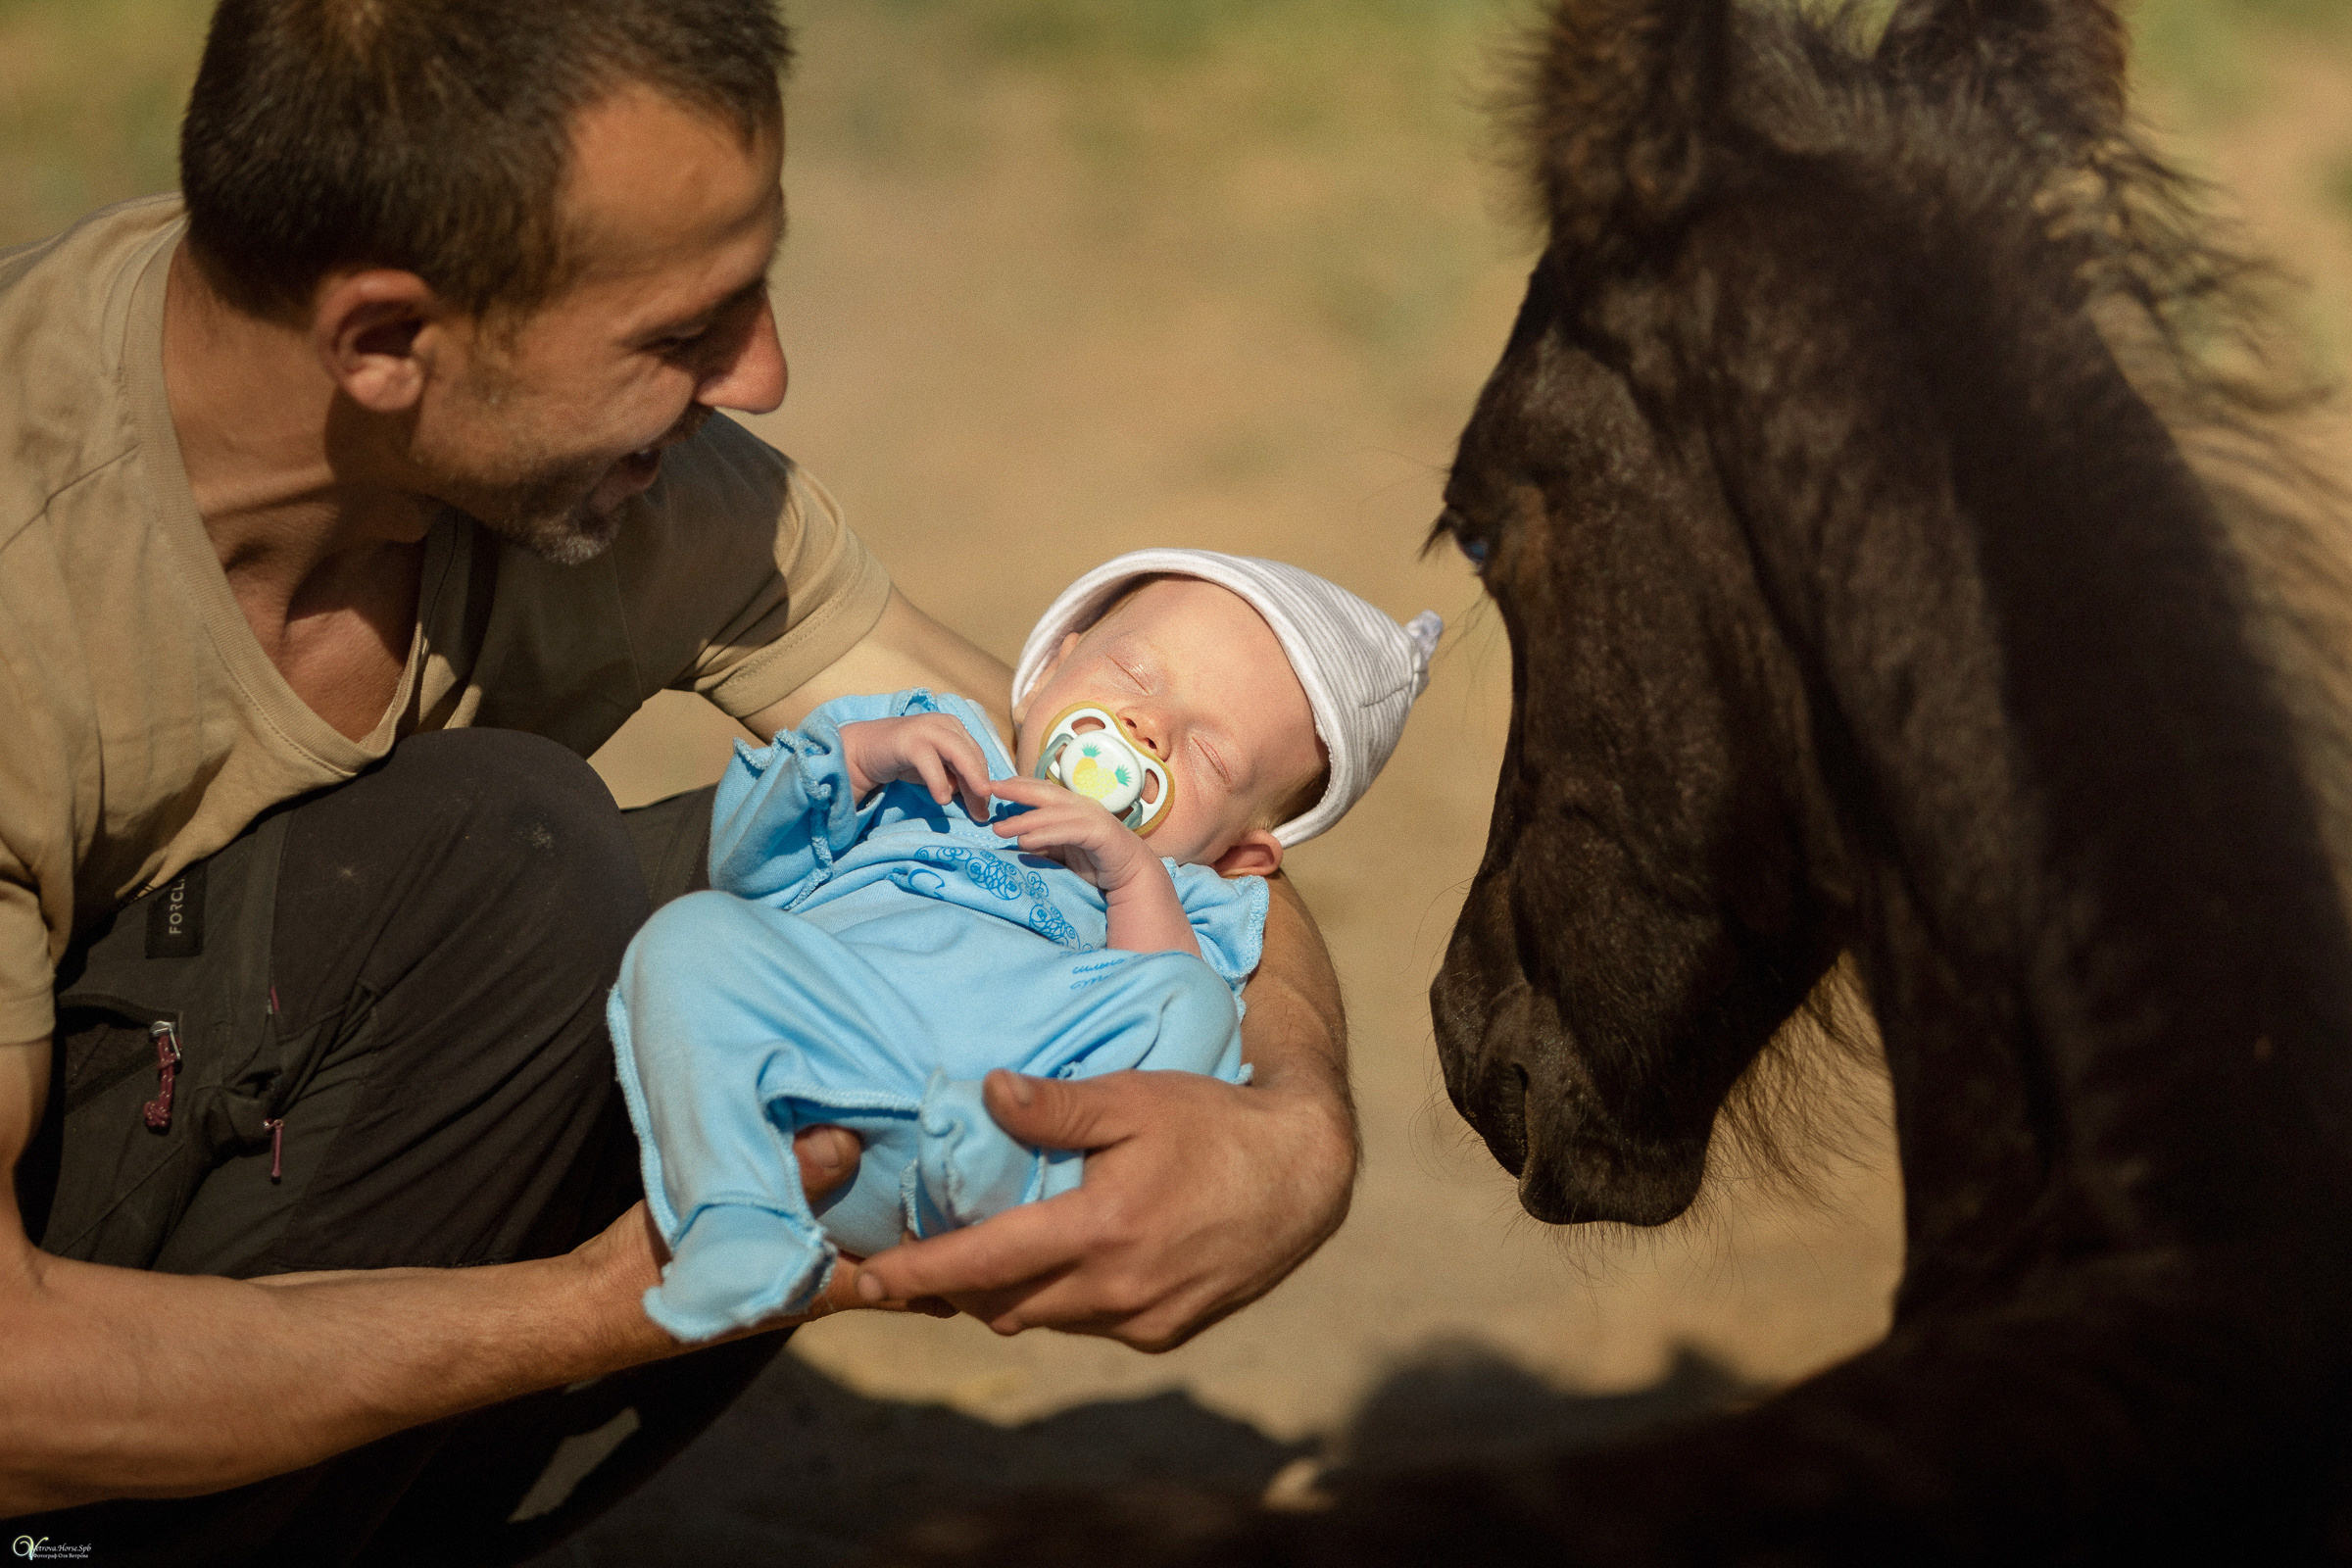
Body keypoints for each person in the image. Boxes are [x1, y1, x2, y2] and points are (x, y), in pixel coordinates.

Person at [0, 1, 1355, 1560]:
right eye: (684, 330)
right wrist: (605, 1310)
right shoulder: (35, 577)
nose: (764, 376)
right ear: (385, 343)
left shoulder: (634, 479)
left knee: (889, 870)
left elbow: (1124, 792)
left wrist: (1291, 1137)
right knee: (511, 863)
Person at [613, 556, 1440, 1342]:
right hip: (823, 1049)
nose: (1150, 726)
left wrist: (1130, 878)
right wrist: (858, 758)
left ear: (1244, 855)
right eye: (1136, 676)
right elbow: (745, 865)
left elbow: (1179, 1056)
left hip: (1004, 1118)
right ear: (1053, 665)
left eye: (1211, 755)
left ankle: (1001, 1172)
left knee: (1186, 999)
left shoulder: (1185, 892)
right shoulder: (927, 748)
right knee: (690, 936)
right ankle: (735, 1214)